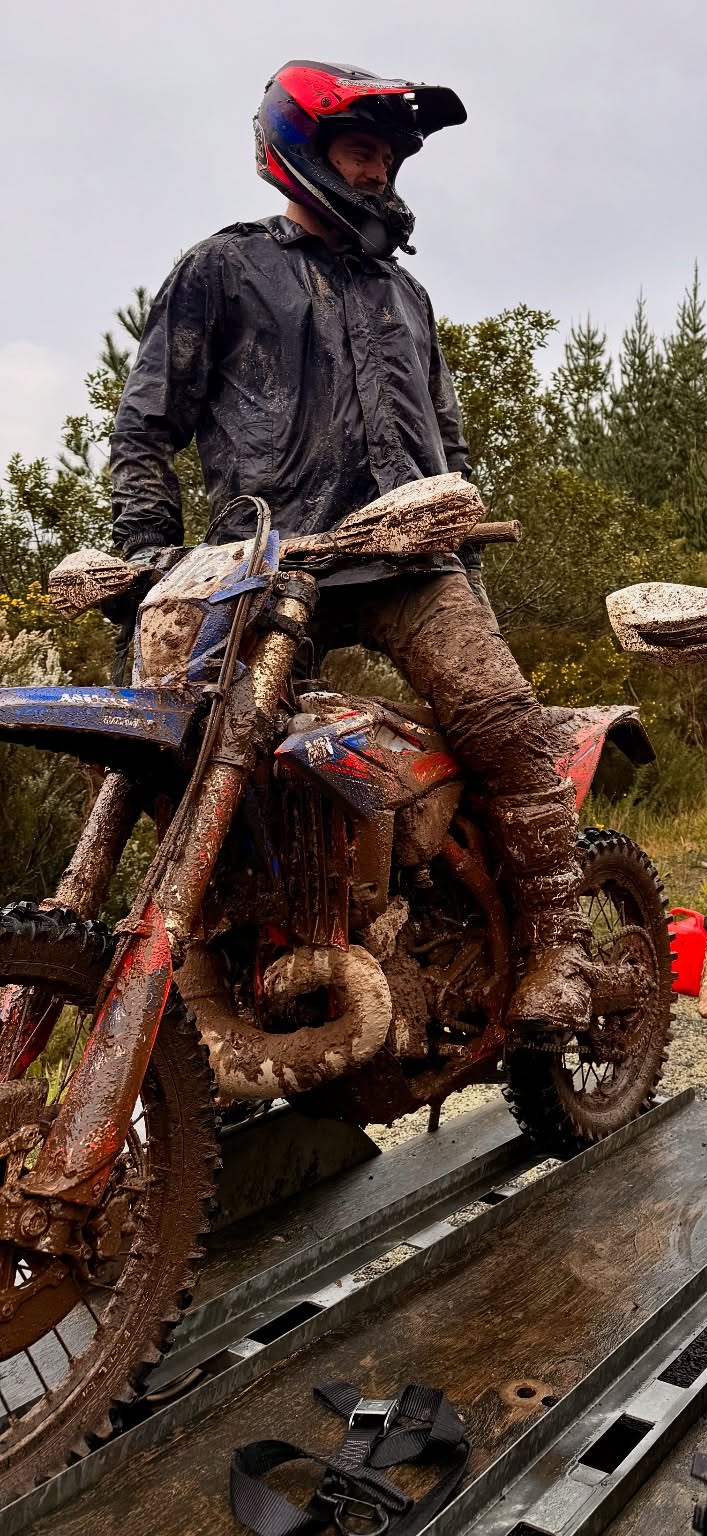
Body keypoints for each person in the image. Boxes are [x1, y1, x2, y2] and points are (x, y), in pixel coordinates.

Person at [109, 60, 591, 1035]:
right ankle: (234, 972)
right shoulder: (223, 269)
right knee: (200, 749)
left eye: (385, 154)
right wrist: (150, 557)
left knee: (501, 717)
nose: (376, 172)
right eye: (359, 150)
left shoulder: (405, 298)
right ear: (300, 152)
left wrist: (471, 572)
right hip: (270, 567)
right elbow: (145, 423)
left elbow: (447, 445)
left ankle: (559, 949)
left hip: (412, 568)